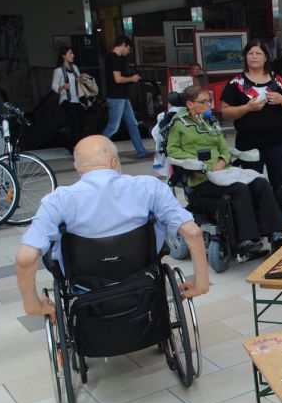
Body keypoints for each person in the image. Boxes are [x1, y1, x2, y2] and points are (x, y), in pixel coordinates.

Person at [15, 135, 209, 320]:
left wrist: (33, 306)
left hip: (85, 279)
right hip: (141, 271)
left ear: (78, 167)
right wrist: (201, 284)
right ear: (114, 163)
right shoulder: (151, 187)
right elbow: (192, 232)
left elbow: (25, 259)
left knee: (52, 251)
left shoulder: (57, 201)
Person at [169, 85, 282, 257]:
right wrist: (197, 163)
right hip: (201, 177)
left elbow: (224, 148)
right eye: (204, 102)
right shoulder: (179, 124)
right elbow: (172, 151)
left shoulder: (211, 122)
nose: (209, 105)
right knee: (240, 189)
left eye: (210, 101)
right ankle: (246, 241)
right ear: (190, 104)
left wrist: (223, 160)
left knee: (260, 183)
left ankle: (276, 232)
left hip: (222, 171)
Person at [220, 39, 282, 222]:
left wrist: (281, 99)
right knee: (251, 183)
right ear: (245, 57)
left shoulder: (277, 80)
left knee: (279, 182)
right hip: (248, 143)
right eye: (250, 53)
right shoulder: (236, 82)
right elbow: (225, 112)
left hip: (278, 141)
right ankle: (256, 224)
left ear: (265, 57)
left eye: (258, 53)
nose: (254, 57)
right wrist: (247, 108)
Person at [101, 36, 150, 159]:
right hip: (116, 97)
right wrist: (132, 79)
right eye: (128, 49)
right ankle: (95, 148)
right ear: (123, 45)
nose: (128, 52)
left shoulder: (111, 58)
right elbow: (117, 79)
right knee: (113, 126)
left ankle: (141, 151)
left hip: (121, 96)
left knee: (132, 124)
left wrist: (130, 79)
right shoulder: (115, 58)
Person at [51, 46, 85, 153]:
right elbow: (54, 86)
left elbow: (78, 80)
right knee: (75, 122)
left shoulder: (75, 68)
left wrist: (81, 80)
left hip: (77, 100)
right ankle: (73, 147)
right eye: (70, 53)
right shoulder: (58, 71)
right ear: (63, 56)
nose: (73, 55)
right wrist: (62, 87)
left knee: (81, 122)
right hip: (66, 100)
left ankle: (71, 144)